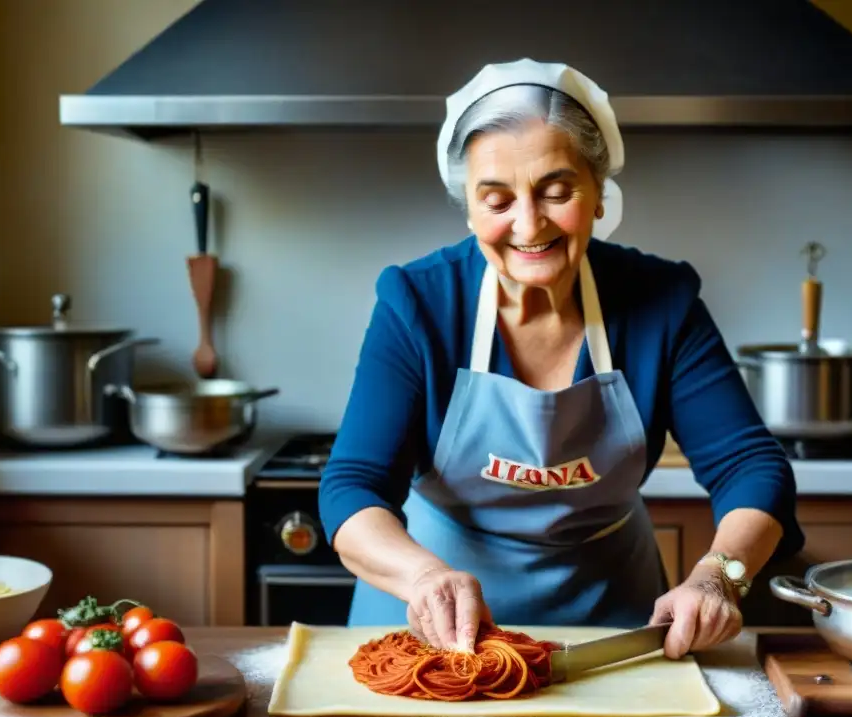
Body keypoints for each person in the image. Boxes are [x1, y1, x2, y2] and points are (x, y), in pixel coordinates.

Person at [318, 58, 804, 660]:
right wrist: (421, 578)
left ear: (600, 192)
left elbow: (750, 466)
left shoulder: (661, 302)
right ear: (468, 208)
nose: (528, 225)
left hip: (613, 628)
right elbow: (352, 487)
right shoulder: (418, 303)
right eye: (496, 201)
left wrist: (718, 576)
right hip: (428, 629)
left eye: (556, 191)